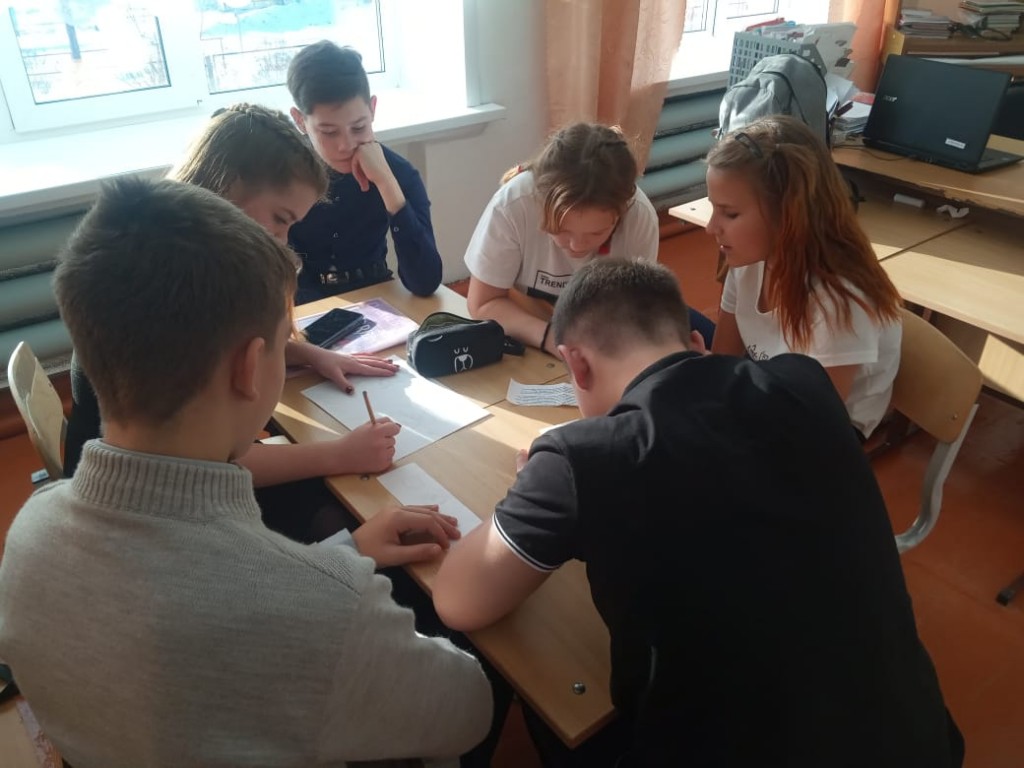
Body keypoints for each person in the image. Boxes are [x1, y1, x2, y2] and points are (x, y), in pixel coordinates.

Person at [0, 177, 492, 766]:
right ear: (249, 368)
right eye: (284, 341)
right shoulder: (325, 614)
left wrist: (344, 554)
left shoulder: (27, 532)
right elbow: (467, 713)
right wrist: (338, 586)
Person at [432, 258, 963, 767]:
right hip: (917, 743)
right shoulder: (804, 383)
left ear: (576, 364)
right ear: (696, 342)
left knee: (554, 704)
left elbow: (459, 602)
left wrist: (544, 479)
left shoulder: (582, 459)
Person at [63, 104, 403, 541]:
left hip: (133, 489)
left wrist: (306, 353)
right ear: (224, 188)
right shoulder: (169, 295)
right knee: (333, 508)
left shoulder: (161, 258)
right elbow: (211, 464)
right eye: (280, 220)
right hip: (149, 516)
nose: (282, 242)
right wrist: (339, 454)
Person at [707, 115, 903, 439]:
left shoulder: (840, 301)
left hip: (825, 432)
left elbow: (812, 428)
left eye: (730, 213)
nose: (711, 227)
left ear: (788, 213)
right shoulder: (746, 261)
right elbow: (722, 362)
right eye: (714, 208)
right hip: (769, 393)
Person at [463, 121, 715, 355]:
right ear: (540, 203)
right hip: (537, 329)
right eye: (560, 229)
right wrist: (552, 339)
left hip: (605, 328)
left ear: (621, 214)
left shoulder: (639, 216)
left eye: (597, 233)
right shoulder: (513, 204)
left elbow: (632, 311)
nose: (576, 246)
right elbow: (483, 303)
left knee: (703, 344)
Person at [287, 41, 442, 303]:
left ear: (372, 109)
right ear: (300, 120)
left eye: (359, 127)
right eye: (328, 132)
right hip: (303, 304)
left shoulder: (398, 172)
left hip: (377, 295)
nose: (346, 145)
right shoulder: (283, 175)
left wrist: (387, 184)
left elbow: (425, 281)